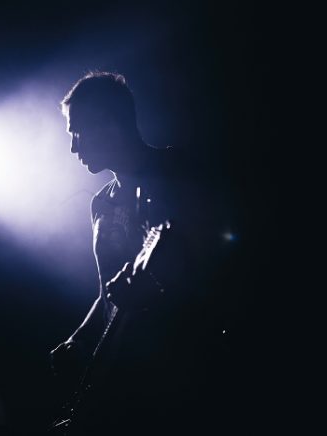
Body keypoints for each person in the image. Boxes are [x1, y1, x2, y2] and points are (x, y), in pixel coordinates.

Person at [49, 71, 247, 435]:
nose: (74, 148)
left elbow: (212, 266)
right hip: (120, 375)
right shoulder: (100, 203)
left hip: (178, 373)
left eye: (78, 132)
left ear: (109, 124)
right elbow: (107, 293)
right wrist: (79, 339)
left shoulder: (177, 173)